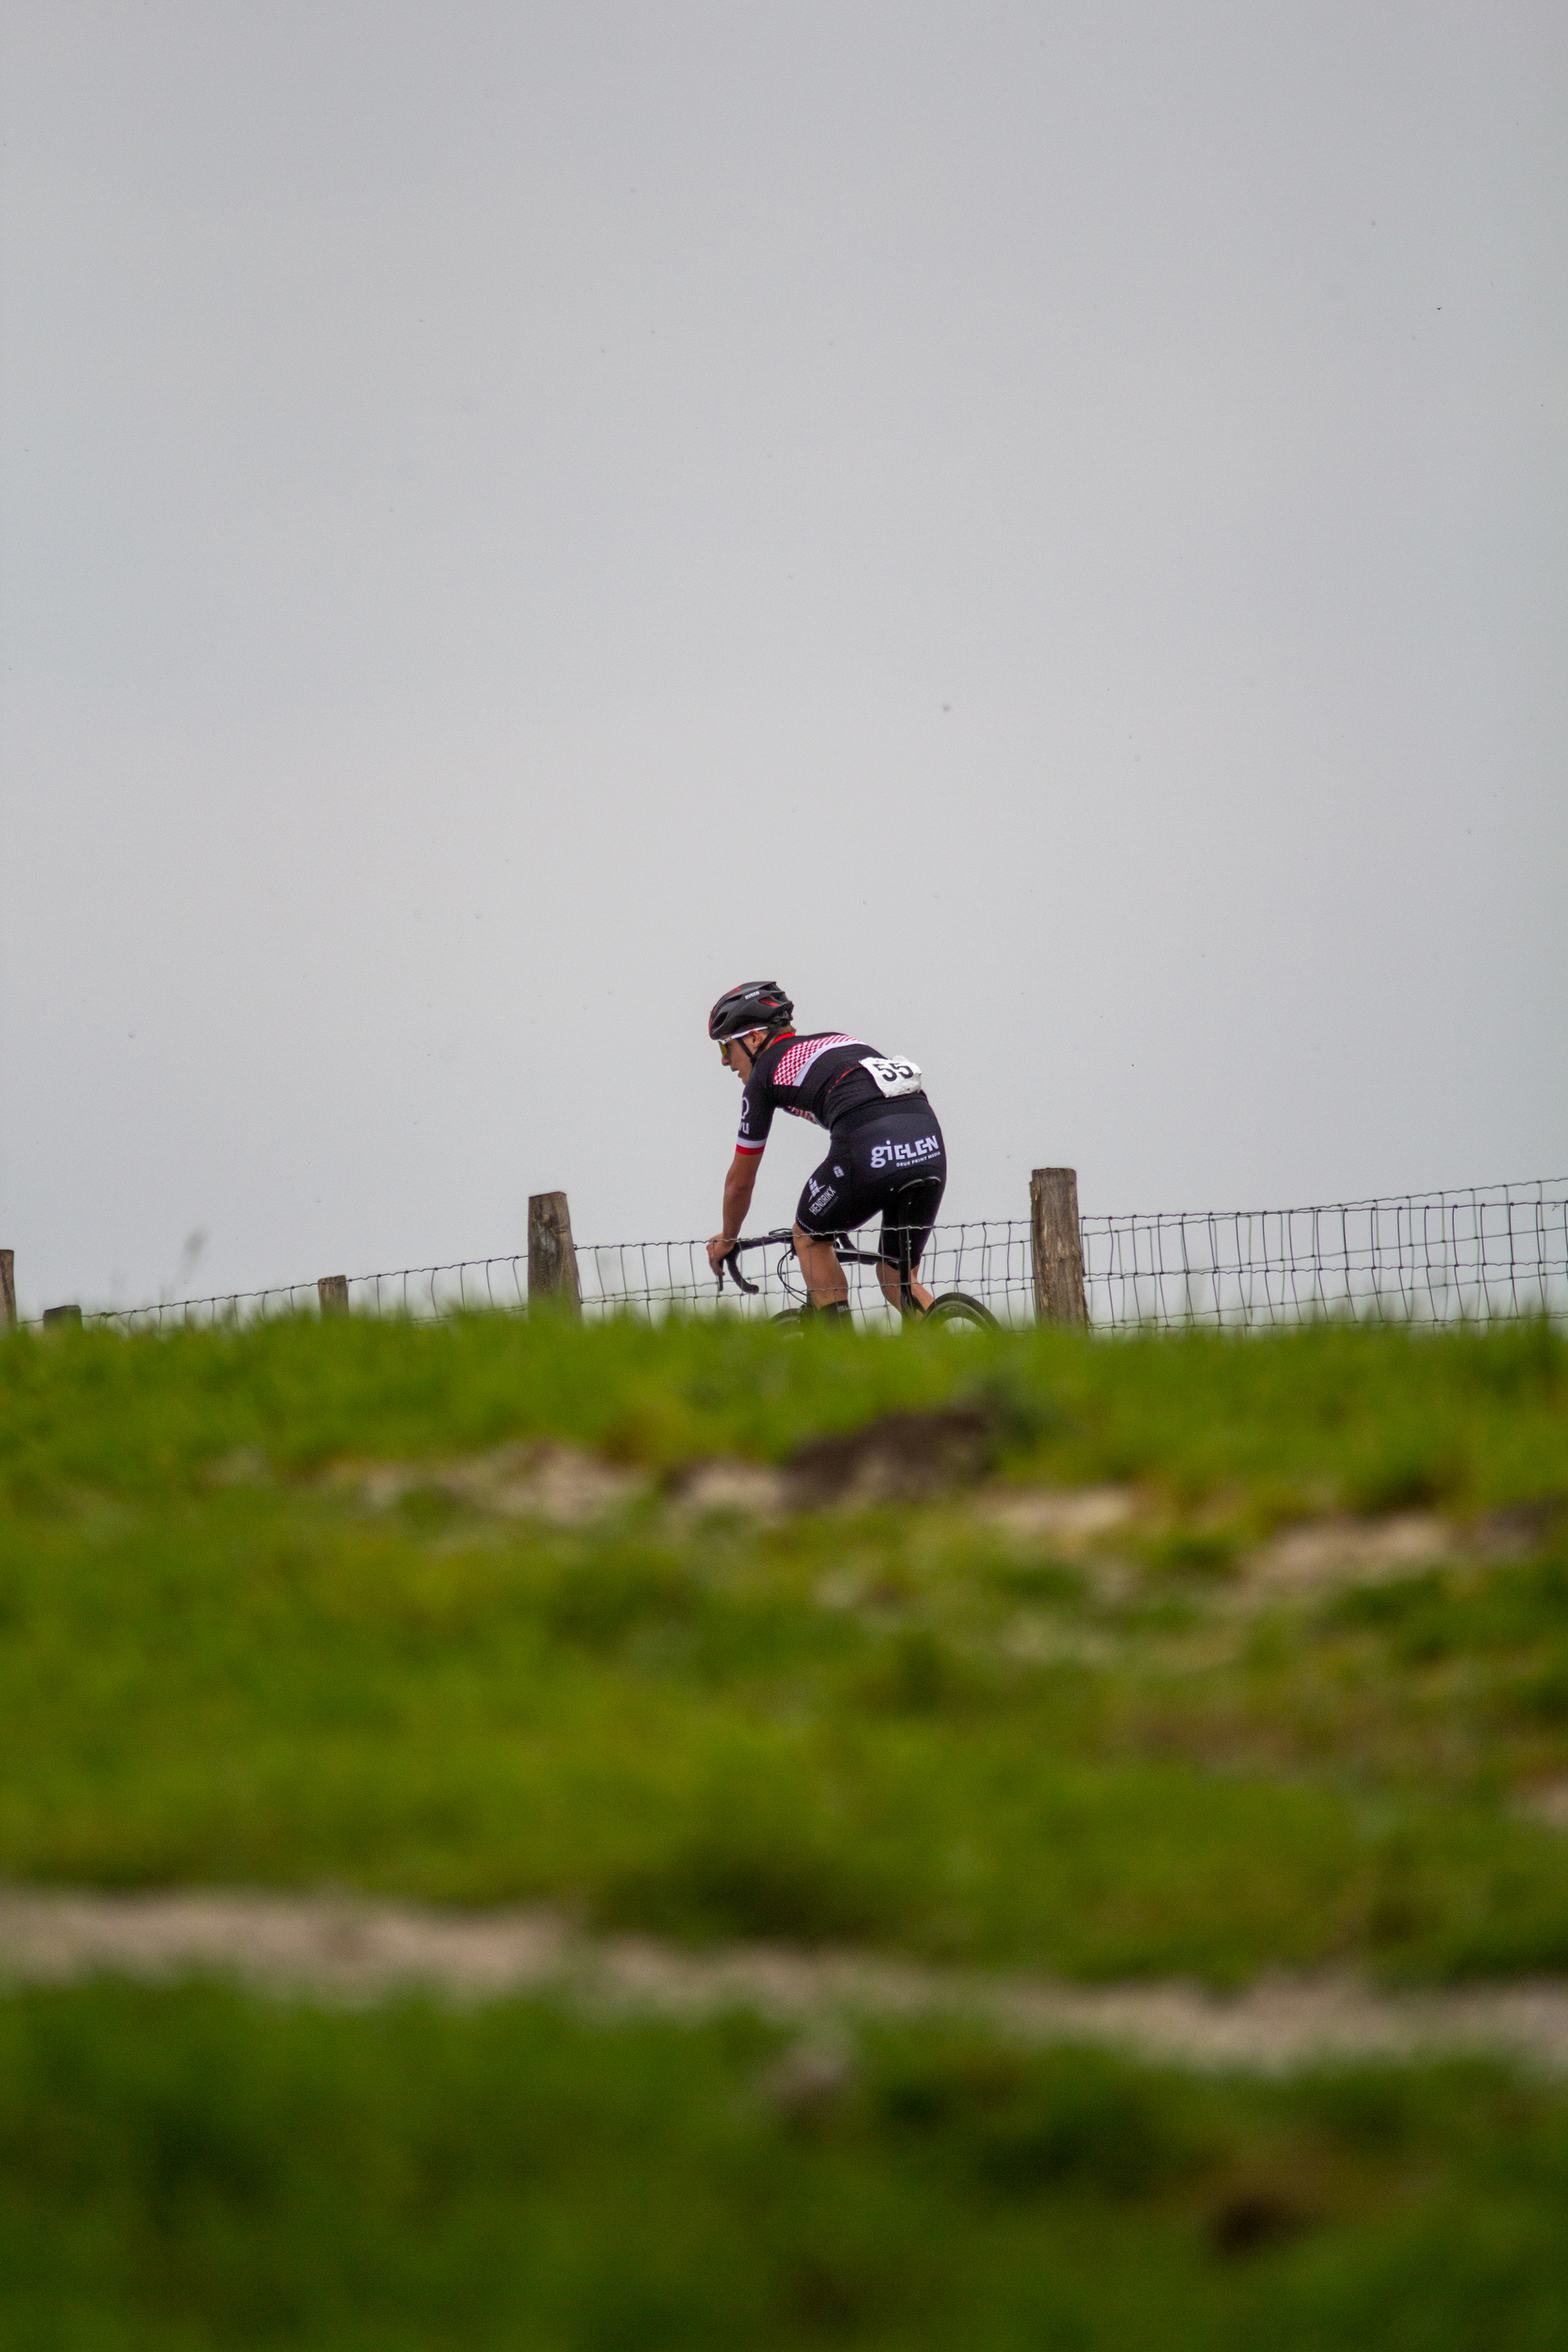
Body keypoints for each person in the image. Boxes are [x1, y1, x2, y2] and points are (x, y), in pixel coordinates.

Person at [704, 981, 946, 1315]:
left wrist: (728, 1237)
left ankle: (840, 1354)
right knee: (897, 1278)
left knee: (809, 1238)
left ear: (754, 1039)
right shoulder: (839, 1040)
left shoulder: (762, 1078)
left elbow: (740, 1181)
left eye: (725, 1047)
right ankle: (950, 1340)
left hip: (869, 1142)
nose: (724, 1061)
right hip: (928, 1141)